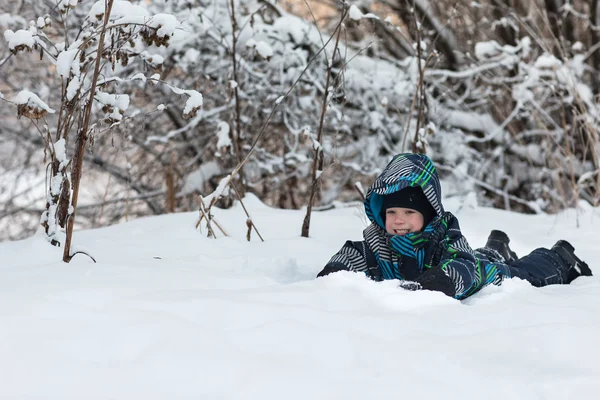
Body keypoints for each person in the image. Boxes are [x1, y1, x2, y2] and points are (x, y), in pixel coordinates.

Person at [317, 153, 592, 299]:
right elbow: (352, 254)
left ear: (428, 214)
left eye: (409, 211)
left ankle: (559, 257)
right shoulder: (378, 244)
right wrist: (335, 274)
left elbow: (463, 264)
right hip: (475, 260)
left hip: (483, 273)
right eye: (391, 212)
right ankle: (497, 246)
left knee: (522, 274)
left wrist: (436, 283)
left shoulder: (444, 234)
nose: (398, 220)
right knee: (487, 254)